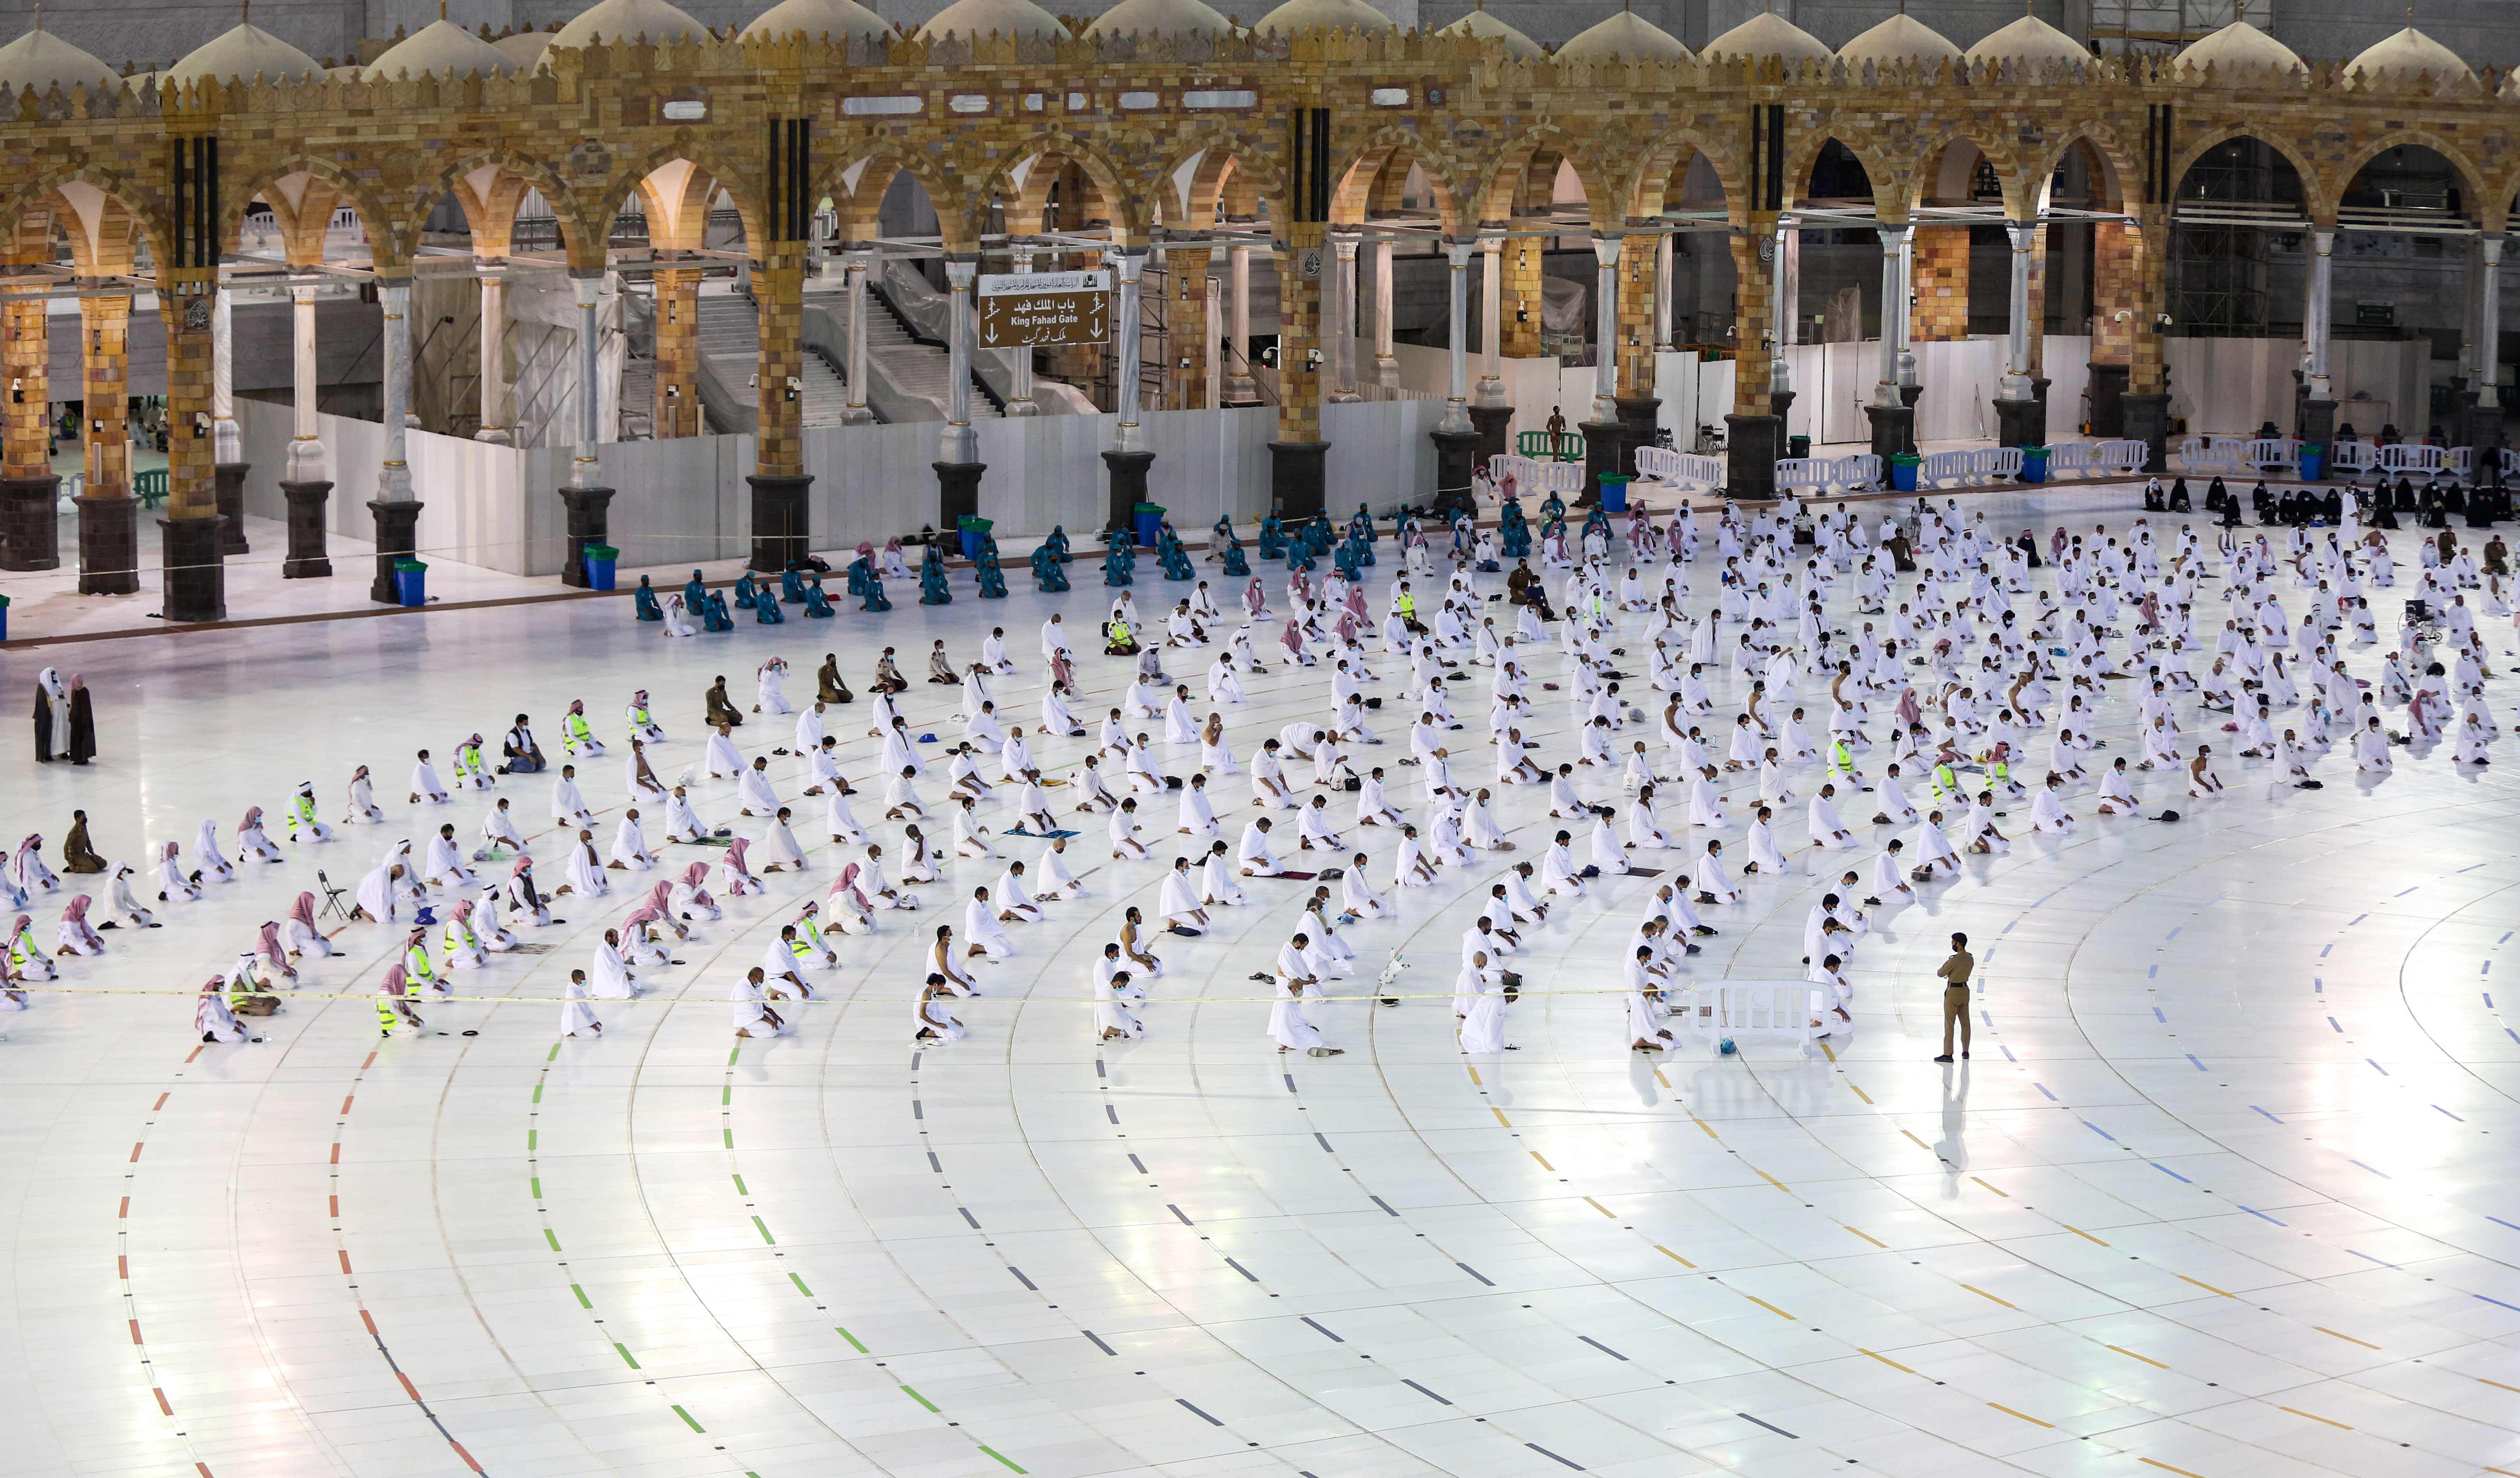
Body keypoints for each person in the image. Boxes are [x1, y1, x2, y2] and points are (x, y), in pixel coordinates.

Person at [1934, 931, 1973, 1063]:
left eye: (1954, 942)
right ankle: (1966, 1051)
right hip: (1965, 991)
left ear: (1959, 944)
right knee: (1965, 1023)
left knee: (1950, 1024)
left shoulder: (1954, 960)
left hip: (1953, 992)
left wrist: (1947, 964)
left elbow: (1941, 973)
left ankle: (1948, 1054)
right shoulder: (1970, 958)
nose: (1952, 944)